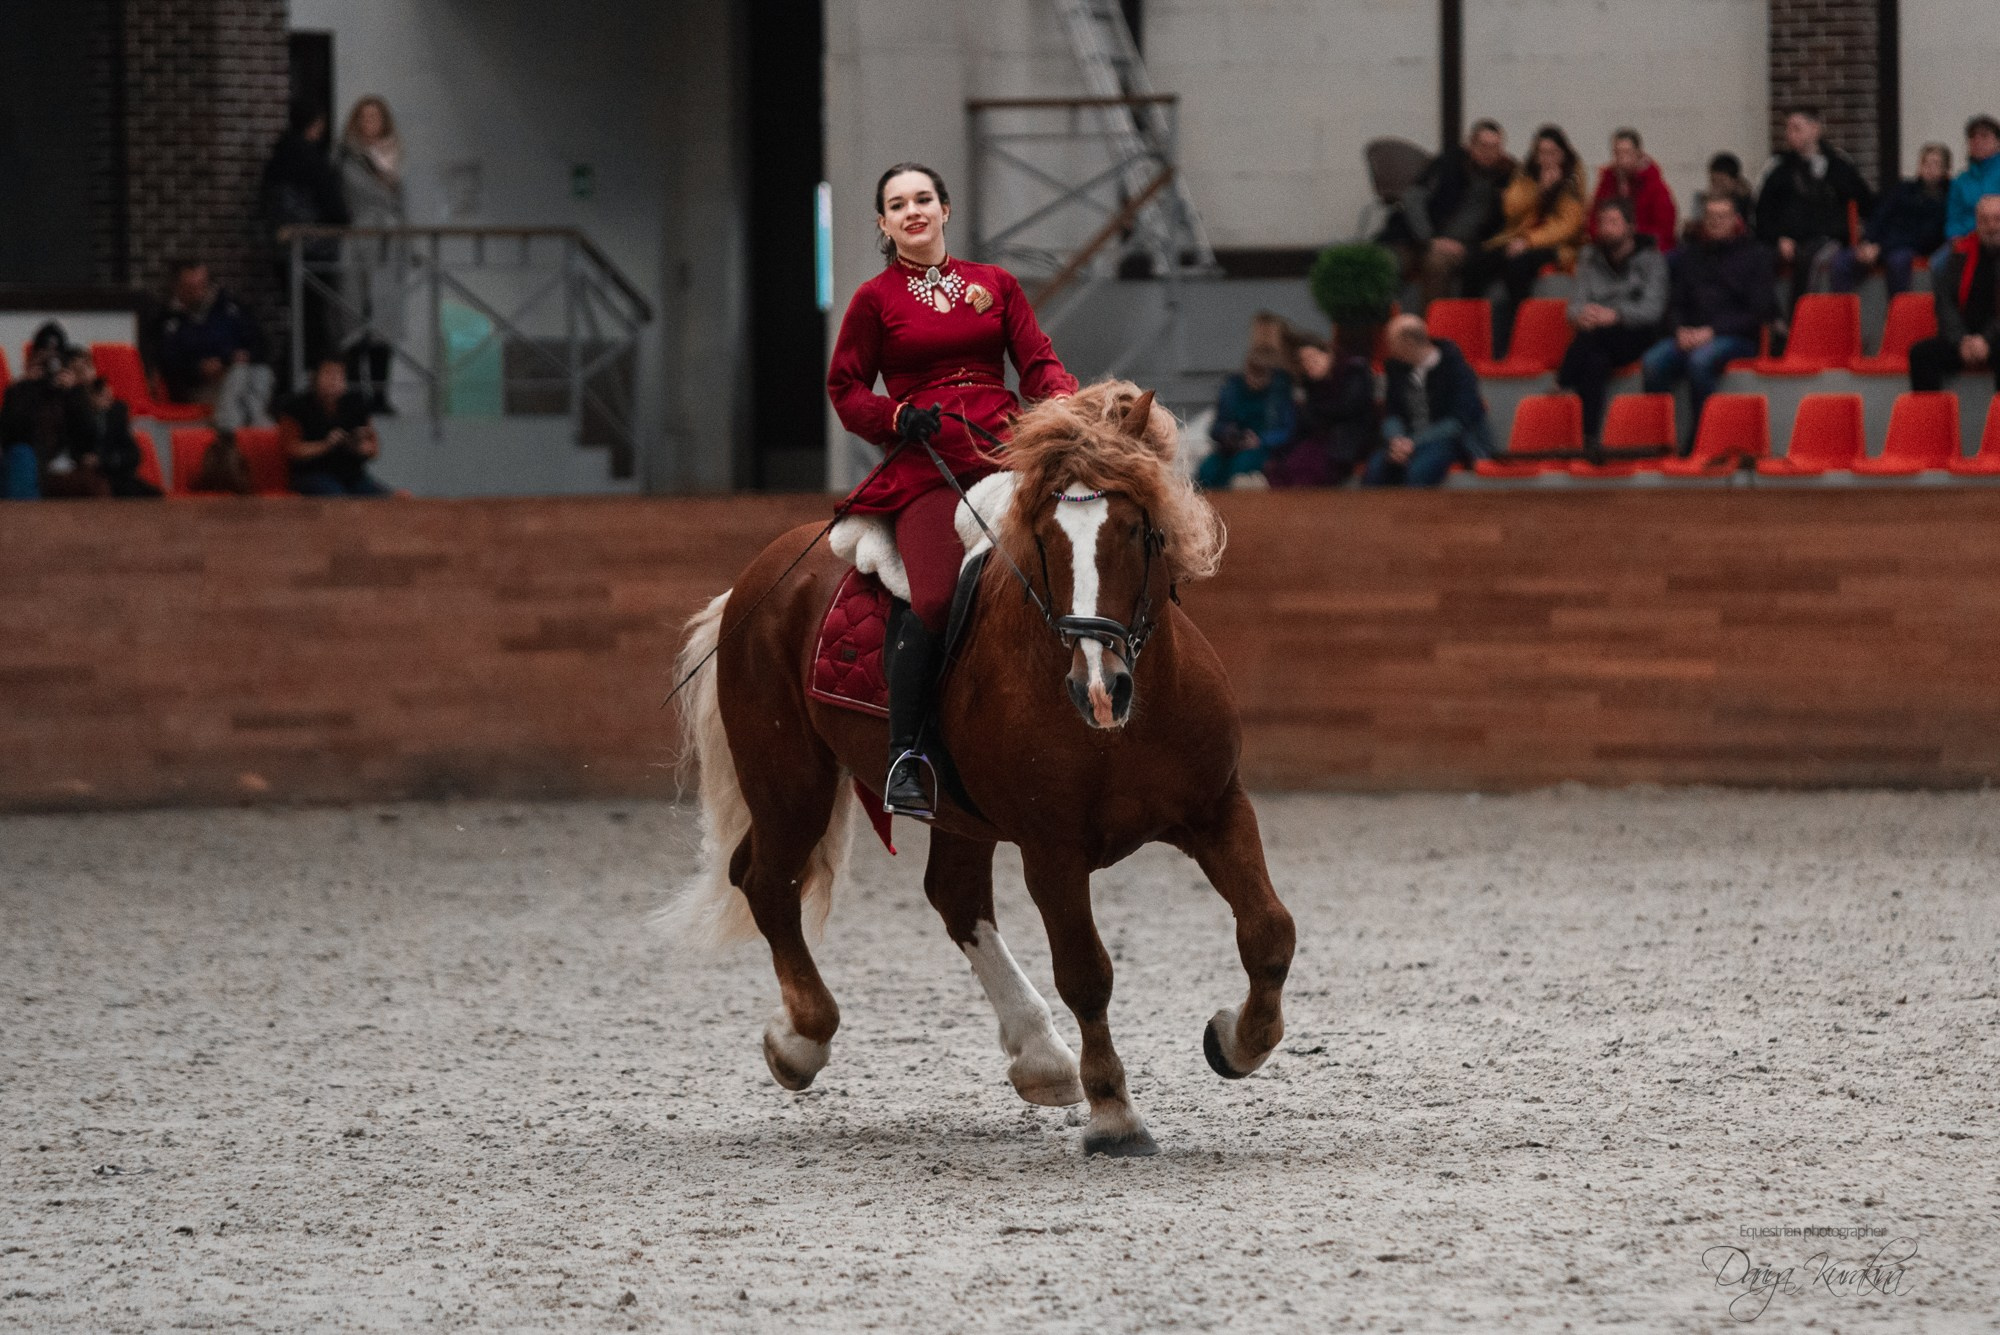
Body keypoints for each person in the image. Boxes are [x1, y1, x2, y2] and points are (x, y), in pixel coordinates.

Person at [826, 162, 1077, 817]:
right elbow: (845, 387)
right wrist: (895, 416)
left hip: (1003, 450)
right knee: (934, 596)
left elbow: (1040, 363)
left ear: (944, 208)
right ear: (884, 223)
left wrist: (1066, 408)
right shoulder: (873, 299)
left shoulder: (996, 285)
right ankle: (907, 752)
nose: (913, 210)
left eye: (923, 199)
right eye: (897, 204)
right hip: (925, 461)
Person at [1642, 196, 1776, 447]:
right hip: (1691, 334)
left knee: (1700, 361)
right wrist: (1679, 330)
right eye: (1710, 217)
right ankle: (1658, 442)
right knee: (1652, 362)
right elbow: (1675, 303)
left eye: (1722, 217)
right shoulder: (1689, 257)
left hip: (1737, 338)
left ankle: (1701, 439)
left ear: (1736, 221)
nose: (1715, 223)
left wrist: (1711, 332)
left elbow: (1760, 311)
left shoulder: (1755, 256)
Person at [1466, 124, 1588, 353]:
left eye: (1553, 153)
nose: (1546, 159)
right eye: (1541, 152)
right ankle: (1470, 333)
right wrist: (1539, 191)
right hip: (1518, 237)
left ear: (1563, 154)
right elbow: (1511, 208)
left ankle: (1514, 337)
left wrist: (1529, 241)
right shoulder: (1526, 172)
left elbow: (1567, 227)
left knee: (1518, 266)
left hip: (1556, 245)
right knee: (1476, 262)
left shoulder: (1572, 177)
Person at [1557, 198, 1669, 448]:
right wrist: (1581, 316)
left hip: (1636, 332)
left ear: (1630, 227)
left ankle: (1563, 382)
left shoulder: (1652, 260)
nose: (1606, 228)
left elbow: (1653, 310)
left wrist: (1616, 315)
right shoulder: (1589, 257)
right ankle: (1589, 438)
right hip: (1598, 336)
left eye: (1613, 222)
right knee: (1595, 362)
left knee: (1594, 338)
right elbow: (1575, 304)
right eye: (1602, 223)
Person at [1754, 109, 1875, 322]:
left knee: (1813, 259)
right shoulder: (1778, 168)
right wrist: (1778, 238)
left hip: (1829, 237)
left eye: (1797, 128)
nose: (1791, 134)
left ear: (1815, 129)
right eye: (1788, 129)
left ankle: (1802, 322)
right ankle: (1773, 322)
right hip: (1787, 239)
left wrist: (1865, 236)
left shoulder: (1839, 165)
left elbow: (1865, 201)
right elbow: (1762, 212)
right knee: (1755, 261)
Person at [261, 101, 351, 371]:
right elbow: (334, 207)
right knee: (314, 322)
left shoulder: (278, 158)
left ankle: (294, 378)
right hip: (315, 250)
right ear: (316, 125)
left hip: (283, 251)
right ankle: (304, 379)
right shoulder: (312, 159)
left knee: (301, 319)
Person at [1392, 119, 1516, 305]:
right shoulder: (1448, 163)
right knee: (1386, 261)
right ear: (1470, 145)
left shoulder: (1510, 176)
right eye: (1483, 146)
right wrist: (1428, 237)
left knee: (1437, 263)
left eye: (1495, 147)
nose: (1488, 153)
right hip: (1419, 236)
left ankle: (1433, 329)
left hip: (1468, 246)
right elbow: (1413, 198)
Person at [336, 95, 405, 413]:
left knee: (384, 322)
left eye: (375, 117)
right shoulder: (347, 159)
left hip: (388, 247)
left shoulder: (395, 158)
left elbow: (402, 200)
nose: (369, 123)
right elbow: (354, 193)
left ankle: (379, 394)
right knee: (354, 318)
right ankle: (354, 392)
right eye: (364, 117)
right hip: (358, 242)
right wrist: (382, 180)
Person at [1362, 313, 1489, 486]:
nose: (1388, 348)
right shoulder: (1395, 368)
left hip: (1446, 440)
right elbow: (1392, 412)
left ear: (1408, 343)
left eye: (1391, 342)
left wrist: (1413, 442)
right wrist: (1397, 439)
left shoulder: (1456, 368)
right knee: (1375, 471)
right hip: (1405, 438)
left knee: (1418, 472)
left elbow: (1459, 420)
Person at [155, 260, 276, 428]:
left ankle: (238, 422)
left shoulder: (231, 309)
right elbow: (168, 364)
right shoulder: (168, 321)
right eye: (191, 288)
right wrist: (199, 369)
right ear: (178, 288)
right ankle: (247, 425)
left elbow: (260, 344)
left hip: (239, 372)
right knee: (240, 377)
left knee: (259, 372)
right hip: (200, 386)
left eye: (202, 286)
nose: (198, 293)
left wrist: (245, 355)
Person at [1830, 143, 1950, 296]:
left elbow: (1926, 236)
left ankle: (1899, 315)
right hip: (1881, 244)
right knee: (1842, 260)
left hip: (1908, 247)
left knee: (1898, 262)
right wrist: (1867, 242)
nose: (1929, 168)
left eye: (1936, 164)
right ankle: (1844, 312)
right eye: (1926, 163)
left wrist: (1881, 248)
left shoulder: (1946, 199)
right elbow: (1880, 215)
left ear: (1946, 170)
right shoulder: (1903, 189)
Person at [1909, 195, 2000, 394]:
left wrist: (1986, 340)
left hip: (1995, 338)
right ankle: (1932, 422)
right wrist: (1961, 340)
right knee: (1921, 355)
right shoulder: (1959, 253)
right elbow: (1945, 303)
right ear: (1977, 223)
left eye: (1997, 219)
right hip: (1962, 339)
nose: (1991, 226)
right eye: (1984, 220)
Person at [1263, 331, 1377, 488]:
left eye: (1312, 357)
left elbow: (1348, 408)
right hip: (1320, 438)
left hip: (1347, 438)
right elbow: (1308, 419)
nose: (1309, 364)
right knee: (1289, 465)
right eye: (1304, 361)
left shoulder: (1354, 371)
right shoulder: (1310, 384)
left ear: (1328, 354)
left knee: (1310, 467)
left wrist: (1316, 412)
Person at [1197, 313, 1295, 489]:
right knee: (1207, 470)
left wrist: (1261, 440)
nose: (1256, 381)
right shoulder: (1232, 388)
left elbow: (1287, 429)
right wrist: (1228, 434)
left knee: (1241, 468)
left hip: (1261, 447)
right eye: (1252, 375)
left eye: (1261, 376)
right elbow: (1217, 425)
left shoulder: (1279, 389)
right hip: (1230, 447)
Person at [1, 338, 104, 499]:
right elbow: (11, 433)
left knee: (95, 485)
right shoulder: (20, 391)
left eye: (55, 362)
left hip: (70, 465)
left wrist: (74, 393)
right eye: (44, 362)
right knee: (21, 458)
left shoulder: (74, 394)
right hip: (35, 465)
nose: (50, 370)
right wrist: (27, 388)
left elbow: (90, 435)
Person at [277, 356, 391, 496]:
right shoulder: (295, 407)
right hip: (312, 474)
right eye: (329, 374)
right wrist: (326, 445)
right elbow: (291, 450)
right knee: (337, 499)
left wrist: (357, 446)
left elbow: (373, 448)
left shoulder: (356, 404)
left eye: (339, 375)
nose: (334, 380)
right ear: (315, 377)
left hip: (351, 475)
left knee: (392, 501)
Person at [1590, 128, 1678, 254]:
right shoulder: (1607, 182)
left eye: (1627, 153)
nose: (1622, 159)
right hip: (1609, 247)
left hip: (1645, 250)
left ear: (1639, 154)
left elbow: (1664, 230)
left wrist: (1629, 237)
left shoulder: (1655, 186)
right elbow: (1593, 219)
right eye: (1617, 154)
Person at [1945, 115, 2000, 245]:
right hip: (1967, 240)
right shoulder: (1961, 181)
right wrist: (1956, 237)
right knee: (1937, 263)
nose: (1978, 141)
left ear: (1997, 141)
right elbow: (1953, 218)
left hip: (1996, 236)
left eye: (1984, 136)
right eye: (1973, 137)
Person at [1690, 152, 1755, 235]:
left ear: (1734, 181)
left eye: (1722, 181)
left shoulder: (1745, 201)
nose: (1717, 186)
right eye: (1713, 181)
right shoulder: (1703, 199)